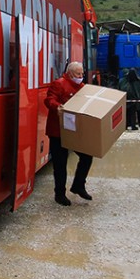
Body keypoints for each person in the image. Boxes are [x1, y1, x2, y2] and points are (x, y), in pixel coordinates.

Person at [44, 61, 94, 206]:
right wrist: (56, 107)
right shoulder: (59, 84)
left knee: (87, 156)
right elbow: (49, 99)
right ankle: (59, 194)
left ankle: (78, 185)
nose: (81, 76)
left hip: (74, 131)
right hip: (57, 131)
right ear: (70, 73)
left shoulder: (83, 87)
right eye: (78, 74)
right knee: (60, 164)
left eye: (82, 73)